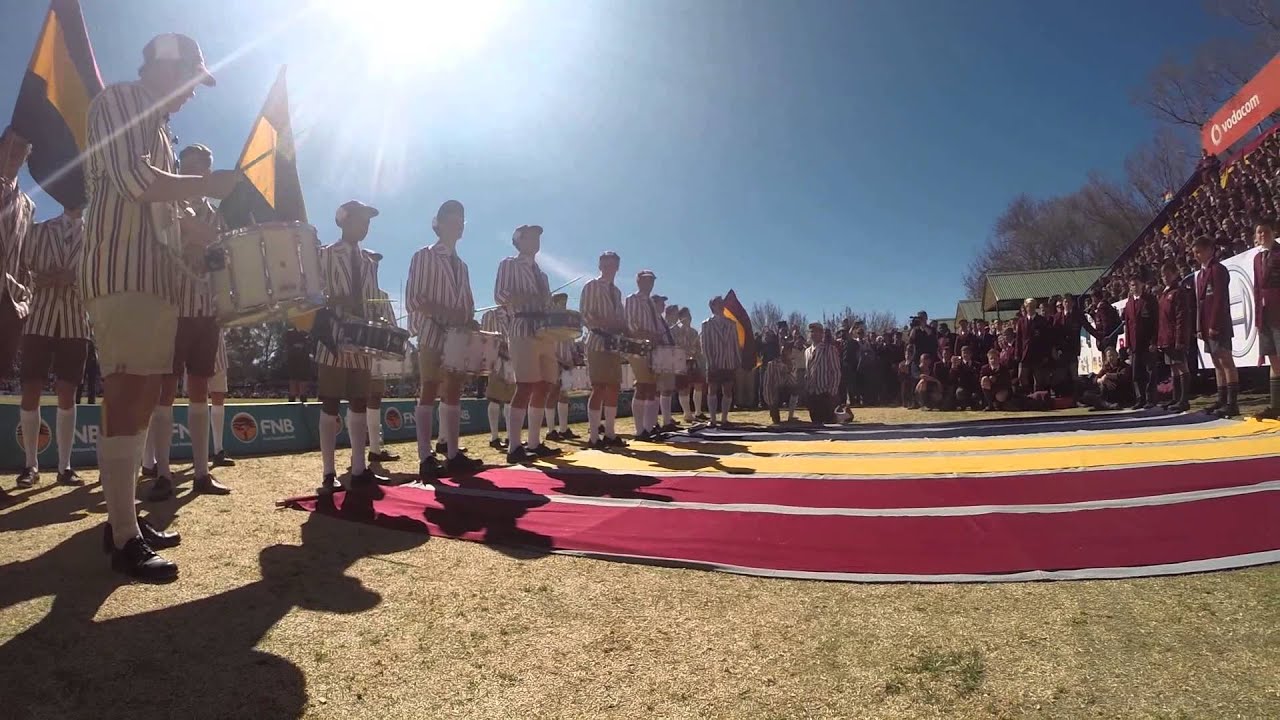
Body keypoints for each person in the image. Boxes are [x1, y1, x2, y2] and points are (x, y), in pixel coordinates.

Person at [83, 33, 239, 579]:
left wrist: (193, 232)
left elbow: (159, 212)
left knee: (143, 394)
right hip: (122, 272)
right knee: (129, 390)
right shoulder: (121, 100)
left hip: (151, 279)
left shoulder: (161, 130)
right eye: (192, 79)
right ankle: (123, 535)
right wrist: (204, 183)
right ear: (167, 68)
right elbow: (135, 180)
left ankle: (122, 521)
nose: (193, 93)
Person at [144, 143, 231, 501]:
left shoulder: (216, 215)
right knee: (165, 390)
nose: (196, 172)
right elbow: (160, 247)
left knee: (200, 389)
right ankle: (163, 472)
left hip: (206, 310)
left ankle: (200, 472)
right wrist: (193, 238)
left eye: (202, 166)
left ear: (208, 171)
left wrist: (202, 243)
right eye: (189, 165)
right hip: (172, 307)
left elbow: (221, 257)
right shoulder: (168, 204)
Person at [314, 200, 391, 492]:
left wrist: (380, 319)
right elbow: (313, 292)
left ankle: (359, 468)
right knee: (331, 401)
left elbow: (372, 296)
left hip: (362, 338)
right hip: (333, 334)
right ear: (344, 220)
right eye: (361, 219)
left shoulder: (370, 261)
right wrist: (334, 301)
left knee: (360, 400)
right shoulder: (325, 253)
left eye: (368, 221)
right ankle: (328, 472)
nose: (365, 226)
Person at [14, 205, 89, 488]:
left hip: (76, 320)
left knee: (67, 392)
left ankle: (65, 466)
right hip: (39, 318)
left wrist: (75, 279)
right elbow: (21, 267)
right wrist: (37, 280)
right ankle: (30, 465)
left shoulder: (95, 235)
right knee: (31, 387)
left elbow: (99, 275)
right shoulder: (40, 230)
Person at [405, 199, 480, 481]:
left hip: (457, 335)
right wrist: (445, 313)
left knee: (454, 389)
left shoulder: (463, 266)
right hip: (432, 330)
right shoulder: (423, 255)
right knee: (429, 386)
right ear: (439, 224)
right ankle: (425, 456)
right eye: (452, 218)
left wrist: (470, 321)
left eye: (461, 219)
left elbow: (468, 304)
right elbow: (414, 298)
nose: (458, 223)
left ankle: (452, 452)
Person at [495, 224, 562, 463]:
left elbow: (547, 304)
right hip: (522, 326)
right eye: (530, 237)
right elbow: (499, 295)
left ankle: (534, 442)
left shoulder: (542, 275)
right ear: (518, 241)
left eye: (537, 237)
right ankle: (514, 447)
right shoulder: (509, 264)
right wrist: (523, 297)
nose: (535, 240)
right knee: (524, 386)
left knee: (544, 385)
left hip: (544, 332)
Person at [579, 251, 628, 448]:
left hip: (614, 344)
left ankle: (610, 433)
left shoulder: (617, 292)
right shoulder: (591, 286)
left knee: (614, 387)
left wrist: (622, 327)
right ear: (600, 266)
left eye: (613, 265)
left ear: (617, 267)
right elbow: (585, 314)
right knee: (598, 387)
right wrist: (607, 323)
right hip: (597, 341)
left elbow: (621, 319)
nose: (609, 268)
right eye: (606, 264)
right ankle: (593, 436)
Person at [1193, 236, 1238, 417]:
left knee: (1226, 360)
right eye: (1195, 252)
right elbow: (1200, 303)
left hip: (1218, 324)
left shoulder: (1218, 270)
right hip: (1205, 325)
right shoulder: (1200, 274)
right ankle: (1221, 399)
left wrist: (1214, 324)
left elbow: (1220, 299)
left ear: (1210, 250)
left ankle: (1232, 402)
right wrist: (1199, 326)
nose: (1197, 255)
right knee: (1216, 363)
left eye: (1199, 252)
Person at [625, 270, 665, 439]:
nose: (650, 284)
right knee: (642, 385)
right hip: (638, 347)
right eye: (646, 280)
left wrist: (659, 338)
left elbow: (658, 327)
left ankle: (649, 427)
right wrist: (649, 336)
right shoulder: (632, 299)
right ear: (638, 281)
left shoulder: (651, 303)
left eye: (652, 281)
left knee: (652, 387)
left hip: (653, 348)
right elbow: (631, 325)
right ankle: (640, 430)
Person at [365, 287, 400, 465]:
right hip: (358, 348)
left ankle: (375, 447)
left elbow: (392, 325)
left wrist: (385, 324)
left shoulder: (383, 296)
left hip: (377, 351)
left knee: (376, 396)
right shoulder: (356, 291)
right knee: (357, 397)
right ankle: (364, 449)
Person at [1251, 221, 1280, 420]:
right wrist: (1257, 316)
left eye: (1265, 232)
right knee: (1272, 357)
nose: (1261, 235)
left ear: (1273, 232)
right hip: (1264, 314)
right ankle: (1276, 406)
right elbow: (1256, 288)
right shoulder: (1257, 258)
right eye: (1258, 232)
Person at [1156, 261, 1193, 412]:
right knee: (1173, 368)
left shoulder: (1178, 292)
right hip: (1166, 337)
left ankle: (1184, 399)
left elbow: (1181, 317)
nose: (1165, 278)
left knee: (1181, 366)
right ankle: (1175, 398)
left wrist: (1180, 338)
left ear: (1175, 274)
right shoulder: (1164, 294)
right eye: (1163, 276)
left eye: (1168, 275)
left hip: (1175, 336)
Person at [544, 292, 578, 441]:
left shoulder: (567, 321)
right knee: (552, 394)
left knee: (564, 395)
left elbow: (571, 340)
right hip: (554, 360)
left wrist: (573, 356)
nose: (563, 305)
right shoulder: (550, 321)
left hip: (567, 360)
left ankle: (563, 428)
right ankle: (551, 430)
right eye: (561, 302)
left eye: (564, 302)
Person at [1122, 276, 1160, 410]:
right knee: (1136, 373)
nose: (1135, 287)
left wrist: (1154, 341)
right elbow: (1127, 325)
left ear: (1142, 285)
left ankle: (1150, 398)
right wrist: (1128, 344)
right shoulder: (1129, 303)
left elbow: (1156, 322)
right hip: (1134, 344)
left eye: (1137, 284)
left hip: (1147, 342)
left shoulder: (1150, 300)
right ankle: (1140, 398)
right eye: (1132, 285)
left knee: (1150, 372)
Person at [701, 296, 738, 427]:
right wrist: (710, 361)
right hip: (714, 362)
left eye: (722, 303)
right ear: (712, 306)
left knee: (727, 390)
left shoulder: (731, 324)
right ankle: (713, 419)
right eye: (718, 304)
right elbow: (705, 345)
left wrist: (737, 360)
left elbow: (735, 343)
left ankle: (724, 419)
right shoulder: (707, 324)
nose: (721, 306)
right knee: (712, 389)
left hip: (729, 361)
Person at [480, 306, 514, 449]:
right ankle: (494, 437)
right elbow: (484, 338)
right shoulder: (491, 315)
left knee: (510, 399)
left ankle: (511, 436)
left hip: (512, 360)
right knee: (495, 398)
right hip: (497, 359)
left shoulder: (515, 315)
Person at [650, 296, 680, 434]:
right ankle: (654, 421)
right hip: (659, 353)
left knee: (666, 389)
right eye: (661, 302)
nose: (663, 305)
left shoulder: (661, 319)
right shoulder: (652, 319)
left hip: (667, 353)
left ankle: (666, 420)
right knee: (658, 389)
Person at [803, 323, 842, 423]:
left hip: (825, 392)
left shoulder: (829, 349)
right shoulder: (807, 351)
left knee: (828, 421)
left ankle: (844, 416)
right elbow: (807, 372)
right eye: (811, 332)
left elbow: (836, 372)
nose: (813, 334)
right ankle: (844, 416)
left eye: (816, 332)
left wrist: (832, 391)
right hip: (812, 393)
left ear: (821, 334)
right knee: (816, 422)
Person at [207, 331, 234, 467]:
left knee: (218, 395)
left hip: (217, 344)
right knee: (197, 397)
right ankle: (199, 454)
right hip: (194, 338)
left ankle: (218, 450)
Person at [675, 305, 705, 422]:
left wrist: (697, 351)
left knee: (698, 385)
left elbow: (698, 348)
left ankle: (698, 412)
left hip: (694, 361)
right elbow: (677, 347)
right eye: (685, 316)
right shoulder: (678, 332)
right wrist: (686, 350)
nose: (688, 318)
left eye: (689, 315)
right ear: (681, 318)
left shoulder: (694, 332)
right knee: (684, 387)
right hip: (682, 361)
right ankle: (687, 413)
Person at [283, 325, 312, 402]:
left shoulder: (307, 333)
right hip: (293, 359)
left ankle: (303, 398)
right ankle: (292, 398)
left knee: (303, 380)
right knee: (293, 379)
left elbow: (309, 345)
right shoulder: (290, 333)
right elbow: (287, 346)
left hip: (304, 360)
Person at [952, 344, 983, 410]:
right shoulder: (958, 365)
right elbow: (952, 377)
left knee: (975, 397)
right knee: (959, 392)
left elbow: (979, 376)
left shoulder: (977, 365)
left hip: (974, 387)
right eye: (964, 353)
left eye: (967, 353)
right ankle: (963, 405)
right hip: (963, 386)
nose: (965, 355)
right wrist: (954, 367)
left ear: (971, 354)